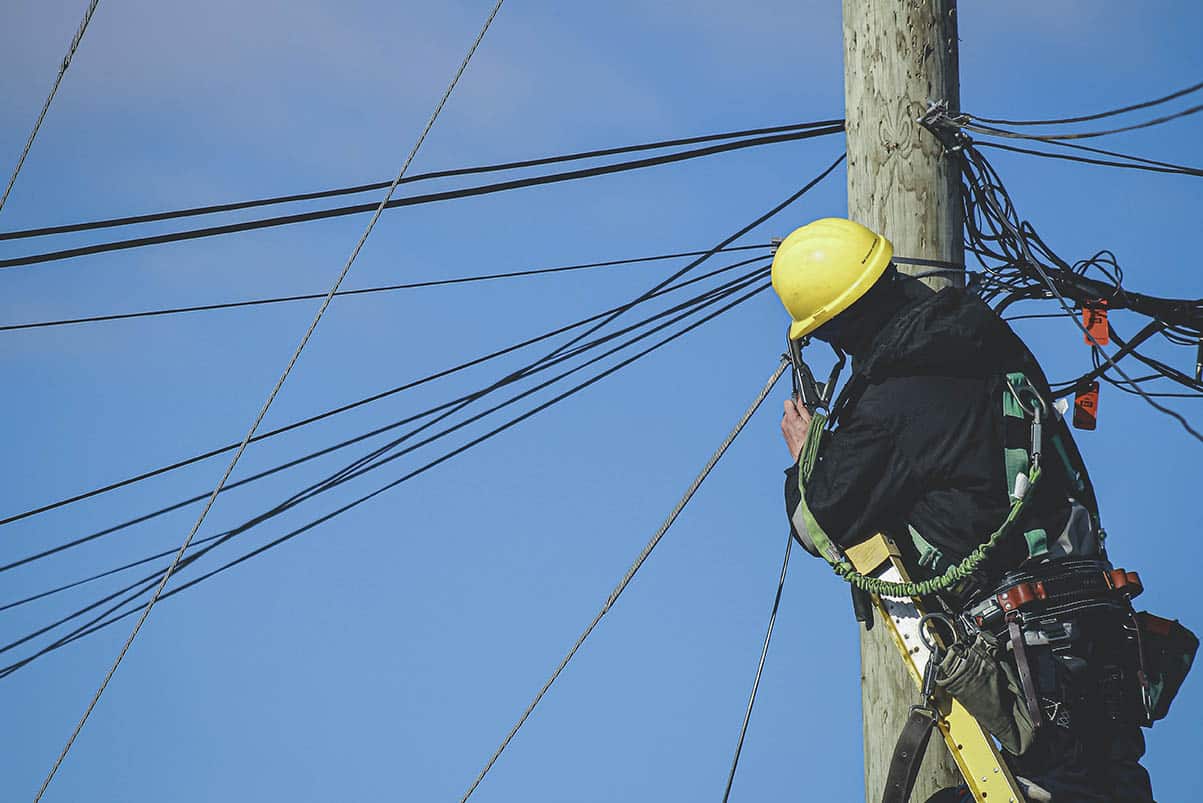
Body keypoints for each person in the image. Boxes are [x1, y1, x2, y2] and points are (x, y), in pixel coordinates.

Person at [773, 218, 1156, 802]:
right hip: (1099, 627)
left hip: (1031, 652)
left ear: (832, 330)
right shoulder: (988, 341)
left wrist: (807, 459)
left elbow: (821, 518)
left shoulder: (893, 399)